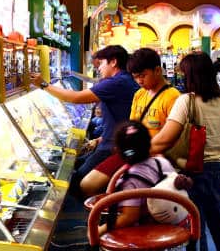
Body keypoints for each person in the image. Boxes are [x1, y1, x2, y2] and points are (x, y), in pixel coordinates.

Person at [151, 52, 220, 251]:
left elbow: (166, 138)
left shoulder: (186, 101)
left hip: (192, 168)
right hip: (218, 167)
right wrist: (218, 150)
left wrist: (142, 149)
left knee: (195, 222)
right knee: (219, 221)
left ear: (190, 76)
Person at [30, 45, 139, 185]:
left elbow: (75, 98)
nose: (99, 68)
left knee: (76, 181)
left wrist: (44, 85)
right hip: (112, 142)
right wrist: (99, 139)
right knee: (75, 166)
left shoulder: (116, 82)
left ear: (113, 62)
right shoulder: (123, 80)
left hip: (113, 147)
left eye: (101, 64)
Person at [80, 48, 180, 197]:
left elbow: (169, 139)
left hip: (151, 156)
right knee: (87, 184)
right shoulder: (140, 94)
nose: (139, 81)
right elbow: (133, 125)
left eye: (143, 75)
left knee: (90, 184)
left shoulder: (172, 96)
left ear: (158, 70)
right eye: (136, 77)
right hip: (131, 152)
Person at [96, 121, 191, 236]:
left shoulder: (129, 180)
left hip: (147, 233)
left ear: (118, 151)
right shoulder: (162, 163)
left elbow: (130, 217)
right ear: (149, 144)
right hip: (174, 226)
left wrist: (102, 229)